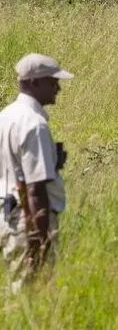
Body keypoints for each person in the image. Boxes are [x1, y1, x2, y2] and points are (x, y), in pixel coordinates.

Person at [0, 53, 73, 293]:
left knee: (17, 289)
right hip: (27, 219)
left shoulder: (5, 116)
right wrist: (39, 243)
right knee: (32, 293)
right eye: (52, 82)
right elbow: (35, 189)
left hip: (6, 215)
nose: (58, 88)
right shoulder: (35, 124)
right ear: (33, 83)